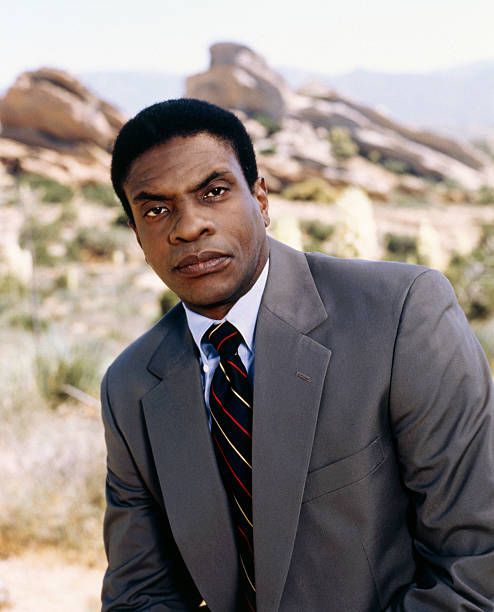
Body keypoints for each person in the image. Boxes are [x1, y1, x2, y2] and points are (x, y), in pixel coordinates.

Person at [101, 98, 494, 612]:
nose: (189, 226)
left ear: (261, 200)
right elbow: (139, 594)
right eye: (156, 210)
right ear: (137, 235)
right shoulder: (130, 386)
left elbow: (476, 569)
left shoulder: (401, 314)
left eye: (214, 192)